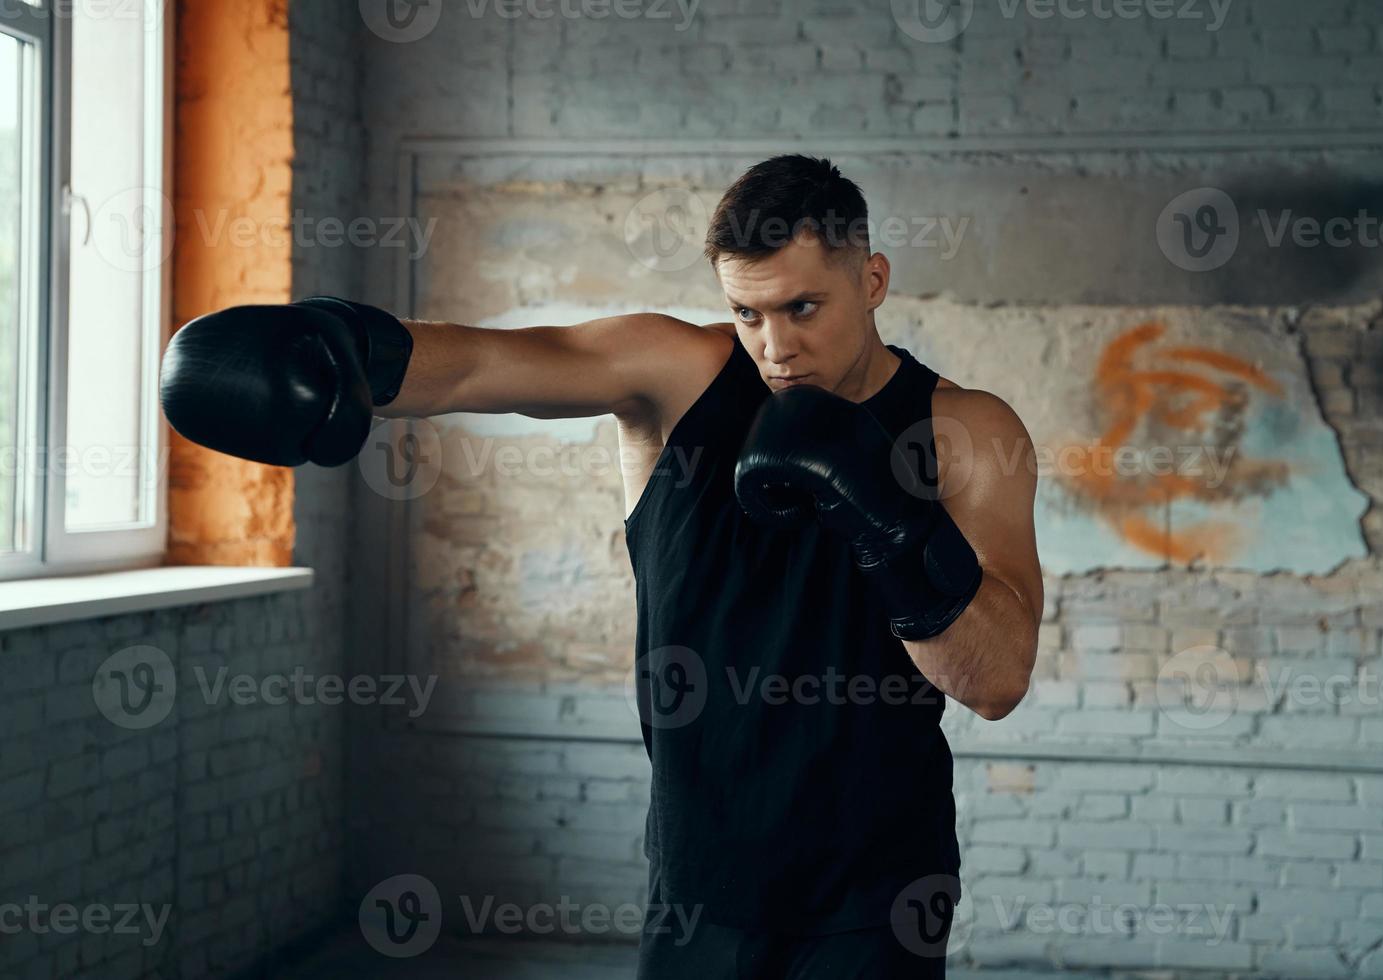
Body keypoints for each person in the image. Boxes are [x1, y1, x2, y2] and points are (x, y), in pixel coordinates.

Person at [162, 154, 1043, 978]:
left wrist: (883, 522)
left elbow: (997, 681)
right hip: (700, 880)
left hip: (881, 889)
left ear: (874, 279)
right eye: (747, 313)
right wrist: (344, 349)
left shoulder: (965, 431)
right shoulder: (682, 376)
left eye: (802, 308)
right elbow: (487, 366)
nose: (774, 347)